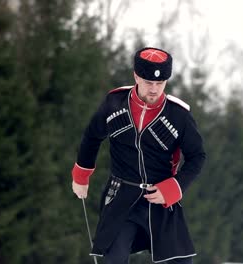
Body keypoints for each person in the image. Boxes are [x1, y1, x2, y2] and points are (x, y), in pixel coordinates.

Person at [71, 47, 206, 264]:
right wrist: (81, 176)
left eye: (160, 83)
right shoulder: (114, 103)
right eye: (148, 82)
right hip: (121, 198)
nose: (154, 89)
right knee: (114, 259)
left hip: (161, 201)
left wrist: (173, 188)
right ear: (136, 76)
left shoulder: (179, 115)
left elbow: (197, 156)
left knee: (180, 261)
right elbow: (92, 136)